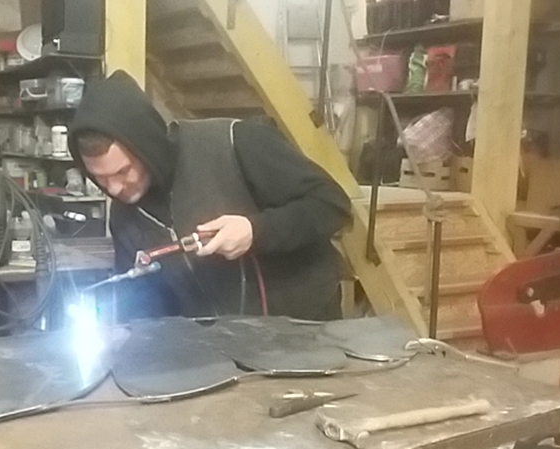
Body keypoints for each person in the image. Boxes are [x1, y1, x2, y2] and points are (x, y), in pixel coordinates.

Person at [68, 70, 352, 321]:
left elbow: (332, 205)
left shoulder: (233, 143)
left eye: (123, 171)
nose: (114, 189)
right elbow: (145, 297)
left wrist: (256, 231)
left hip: (304, 327)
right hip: (226, 344)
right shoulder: (125, 217)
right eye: (100, 178)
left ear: (146, 146)